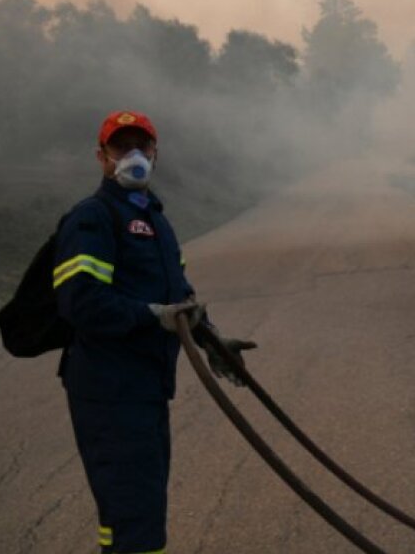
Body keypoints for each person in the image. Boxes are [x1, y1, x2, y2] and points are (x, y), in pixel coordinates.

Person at [54, 110, 256, 553]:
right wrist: (151, 316)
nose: (133, 155)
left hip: (144, 386)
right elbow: (79, 302)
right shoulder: (93, 218)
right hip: (109, 391)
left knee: (140, 509)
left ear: (155, 153)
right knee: (134, 518)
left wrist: (211, 339)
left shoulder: (156, 220)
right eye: (121, 146)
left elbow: (179, 298)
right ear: (102, 157)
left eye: (141, 146)